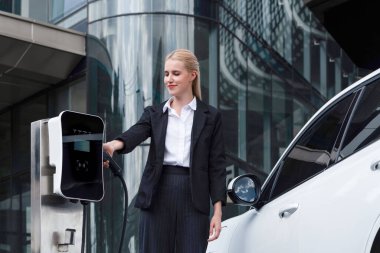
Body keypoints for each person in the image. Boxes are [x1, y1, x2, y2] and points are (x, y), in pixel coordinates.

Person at [103, 49, 226, 253]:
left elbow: (217, 165)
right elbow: (136, 133)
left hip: (194, 195)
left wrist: (218, 212)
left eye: (176, 73)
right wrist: (113, 145)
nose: (169, 79)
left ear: (192, 75)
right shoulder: (154, 113)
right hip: (158, 191)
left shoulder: (211, 116)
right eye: (167, 74)